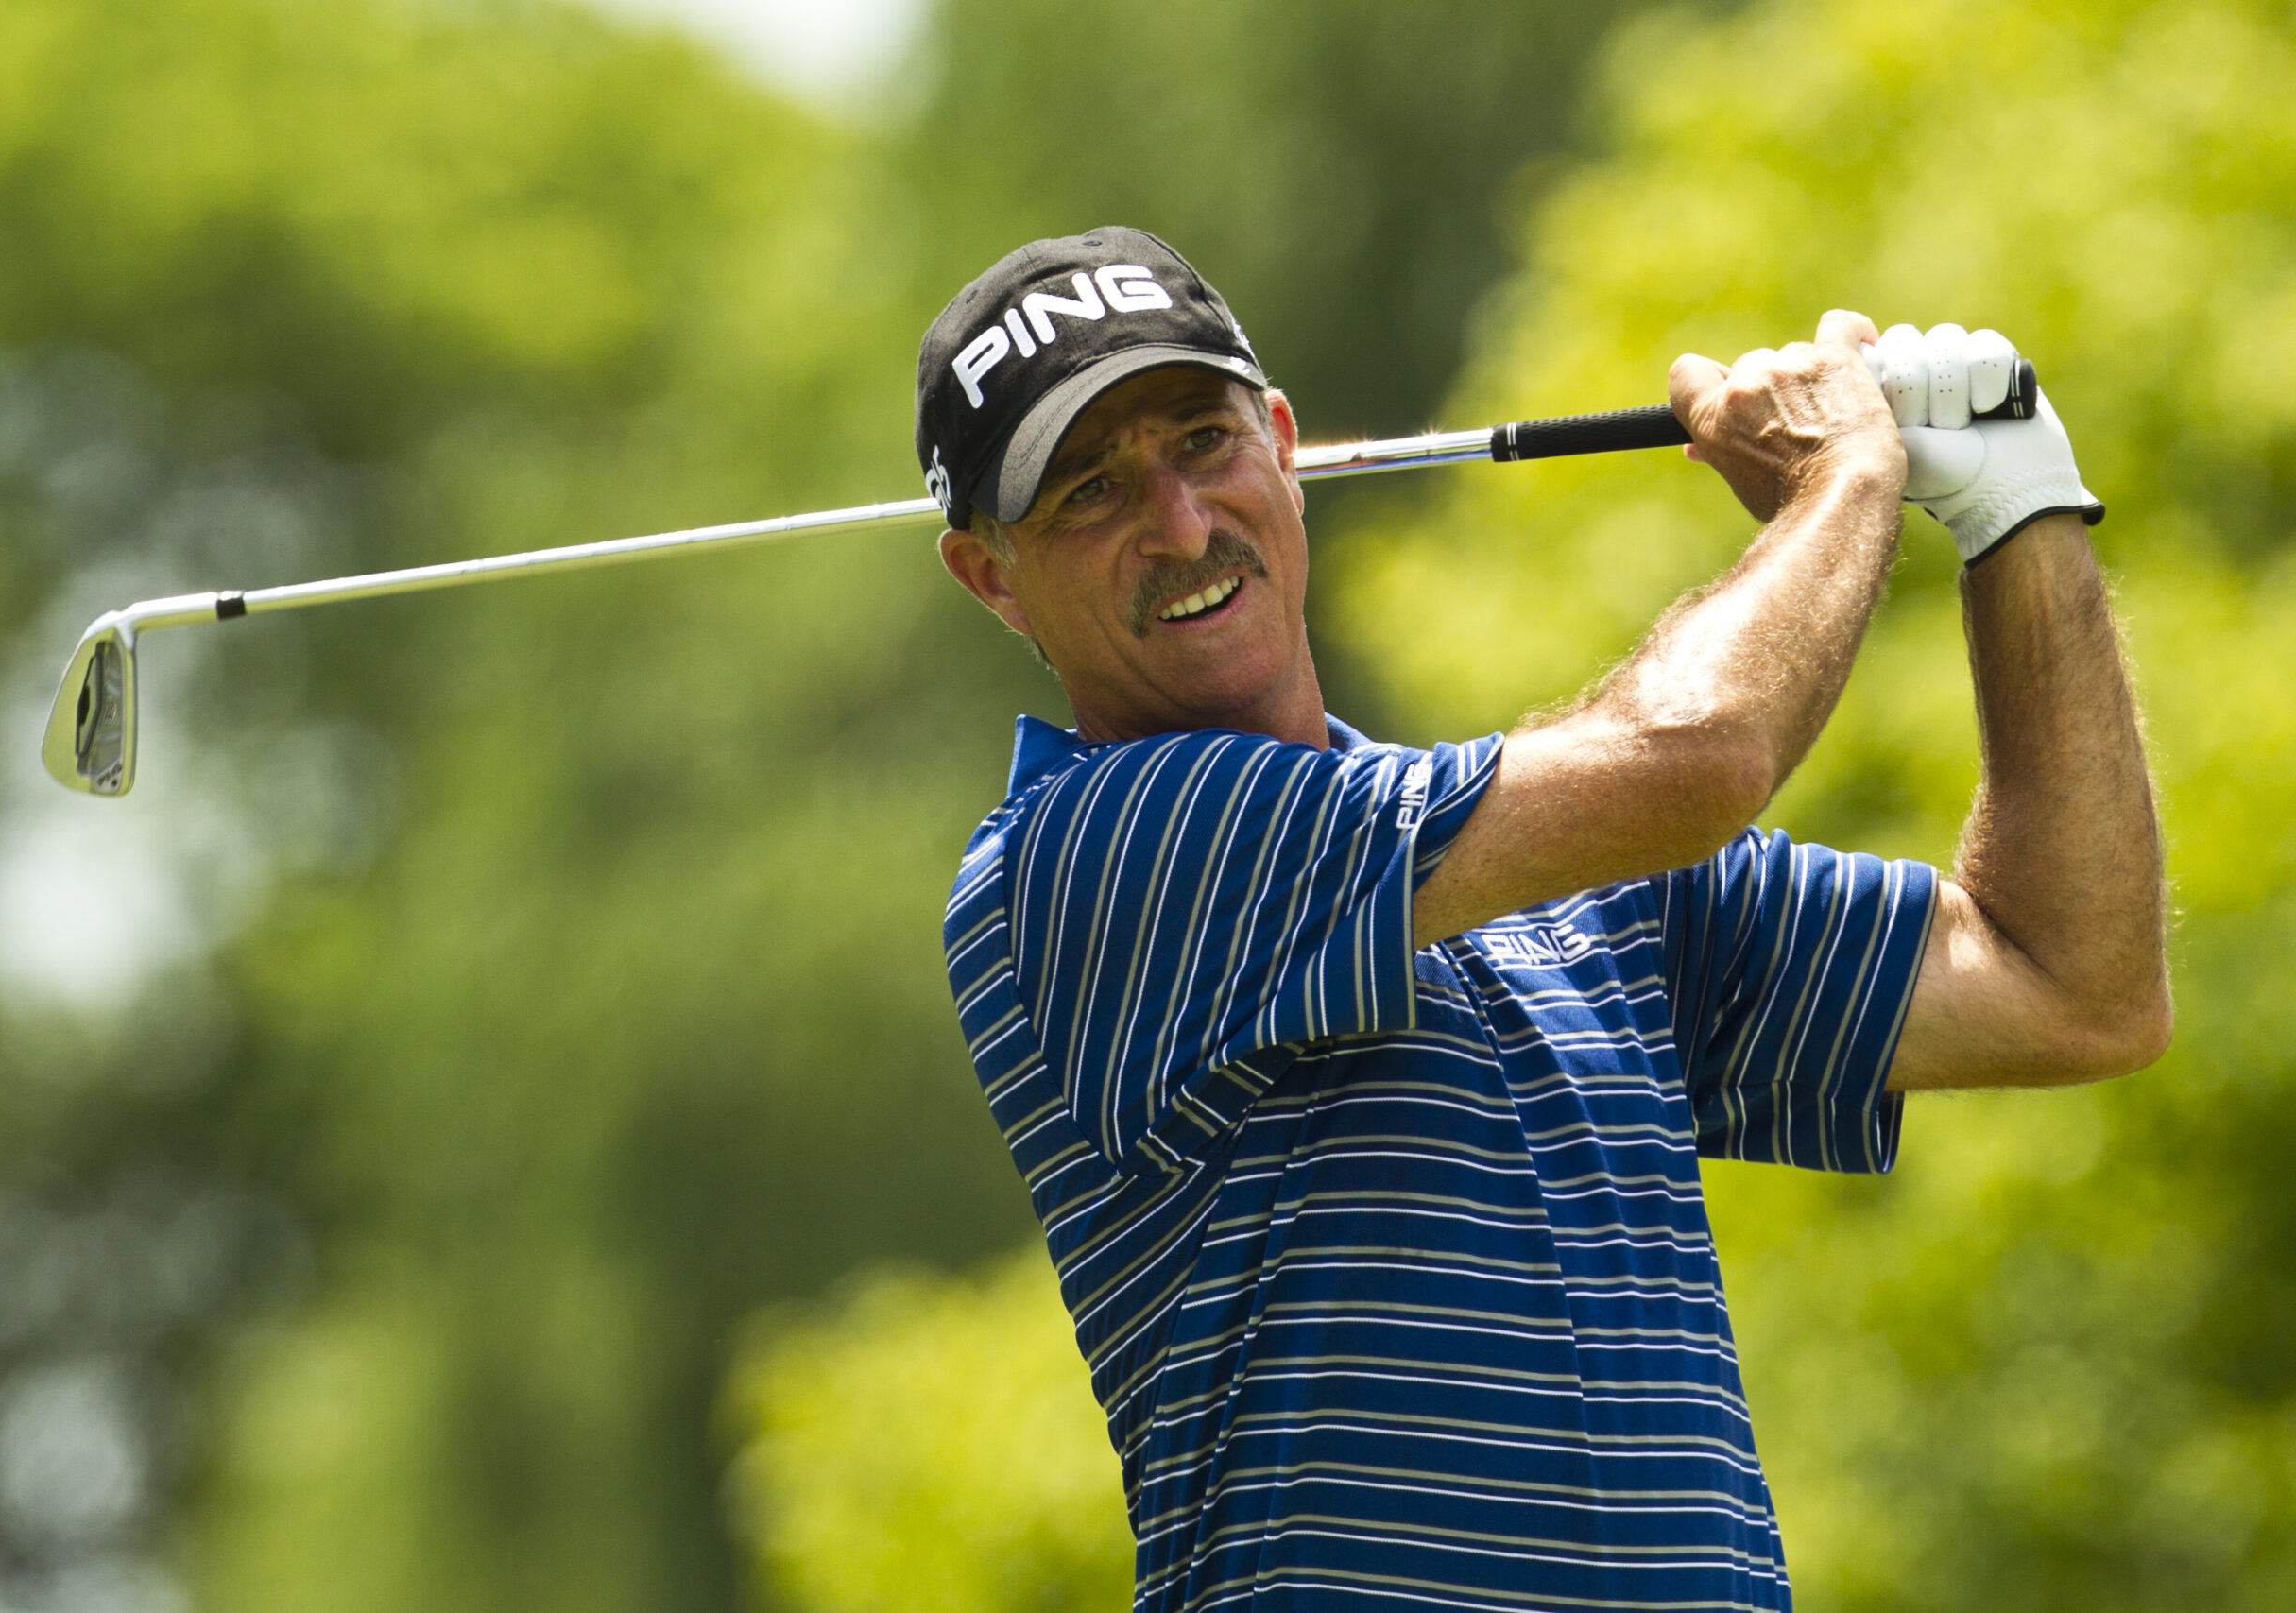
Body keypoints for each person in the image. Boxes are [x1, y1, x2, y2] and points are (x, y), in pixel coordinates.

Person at [921, 227, 2167, 1612]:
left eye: (1204, 442)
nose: (1181, 524)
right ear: (992, 578)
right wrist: (1852, 472)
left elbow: (2074, 981)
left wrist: (2022, 515)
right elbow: (1698, 757)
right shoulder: (1087, 860)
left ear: (1283, 443)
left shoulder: (1576, 891)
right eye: (1091, 490)